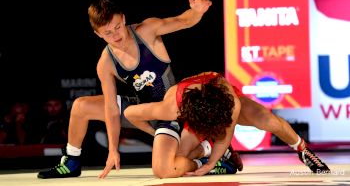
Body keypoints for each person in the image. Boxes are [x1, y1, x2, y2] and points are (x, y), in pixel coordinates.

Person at [37, 0, 216, 179]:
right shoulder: (106, 63)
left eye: (117, 27)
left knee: (164, 170)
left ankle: (208, 156)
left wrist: (197, 11)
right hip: (143, 111)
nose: (116, 35)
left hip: (171, 113)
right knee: (80, 106)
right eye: (108, 33)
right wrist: (113, 150)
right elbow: (111, 109)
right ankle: (72, 161)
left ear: (123, 19)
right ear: (98, 34)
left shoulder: (146, 31)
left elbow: (183, 20)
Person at [124, 71, 331, 178]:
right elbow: (130, 113)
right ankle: (210, 150)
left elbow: (226, 135)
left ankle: (303, 150)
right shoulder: (171, 107)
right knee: (175, 163)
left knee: (269, 121)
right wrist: (152, 131)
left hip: (219, 105)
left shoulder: (231, 104)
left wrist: (210, 165)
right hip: (193, 114)